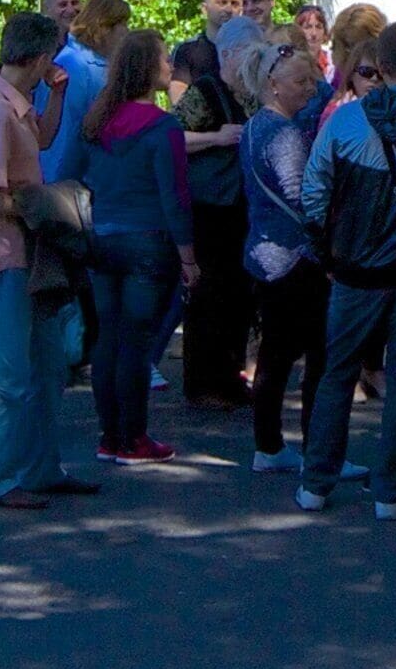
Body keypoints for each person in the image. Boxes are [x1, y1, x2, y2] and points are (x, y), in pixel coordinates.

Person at [0, 10, 97, 509]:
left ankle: (39, 468)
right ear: (42, 57)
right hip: (8, 256)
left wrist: (58, 95)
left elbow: (41, 139)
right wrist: (41, 209)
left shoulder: (12, 101)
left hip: (31, 254)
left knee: (45, 368)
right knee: (8, 377)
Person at [300, 21, 396, 519]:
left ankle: (316, 484)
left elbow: (313, 193)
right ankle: (391, 494)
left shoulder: (347, 123)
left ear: (383, 67)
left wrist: (326, 254)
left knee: (336, 376)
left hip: (353, 275)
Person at [70, 31, 194, 462]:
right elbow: (174, 197)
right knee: (136, 342)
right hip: (148, 241)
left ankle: (110, 434)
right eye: (163, 58)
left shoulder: (97, 120)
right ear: (146, 68)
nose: (169, 65)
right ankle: (135, 436)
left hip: (102, 238)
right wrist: (188, 257)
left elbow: (81, 174)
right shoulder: (164, 127)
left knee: (107, 336)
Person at [239, 33, 335, 473]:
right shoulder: (285, 134)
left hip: (263, 251)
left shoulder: (256, 124)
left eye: (313, 81)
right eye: (301, 81)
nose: (310, 88)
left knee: (275, 355)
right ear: (274, 84)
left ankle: (269, 445)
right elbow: (303, 199)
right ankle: (317, 451)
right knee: (317, 354)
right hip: (295, 258)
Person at [170, 32, 257, 411]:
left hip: (240, 206)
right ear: (231, 54)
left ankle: (230, 378)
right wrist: (216, 138)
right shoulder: (207, 90)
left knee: (236, 296)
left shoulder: (252, 93)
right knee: (208, 296)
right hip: (210, 206)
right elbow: (172, 137)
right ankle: (203, 383)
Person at [29, 0, 108, 184]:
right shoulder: (33, 46)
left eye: (75, 3)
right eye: (63, 4)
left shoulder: (92, 47)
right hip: (41, 153)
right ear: (46, 8)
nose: (71, 10)